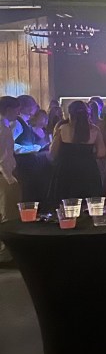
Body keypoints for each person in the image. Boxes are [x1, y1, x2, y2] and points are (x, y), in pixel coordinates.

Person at [49, 100, 106, 207]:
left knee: (67, 203)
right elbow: (101, 152)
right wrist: (89, 156)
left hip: (66, 169)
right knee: (89, 204)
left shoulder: (62, 129)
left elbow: (53, 152)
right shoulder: (95, 130)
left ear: (70, 113)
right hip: (88, 170)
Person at [0, 96, 22, 266]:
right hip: (5, 176)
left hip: (5, 174)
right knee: (8, 214)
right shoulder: (3, 128)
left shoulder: (6, 126)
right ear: (8, 109)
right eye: (16, 109)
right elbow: (3, 156)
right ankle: (5, 255)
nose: (18, 113)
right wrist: (9, 177)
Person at [12, 95, 43, 202]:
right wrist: (33, 148)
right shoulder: (17, 123)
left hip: (27, 165)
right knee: (26, 194)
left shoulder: (24, 122)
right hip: (22, 165)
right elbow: (10, 145)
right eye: (33, 106)